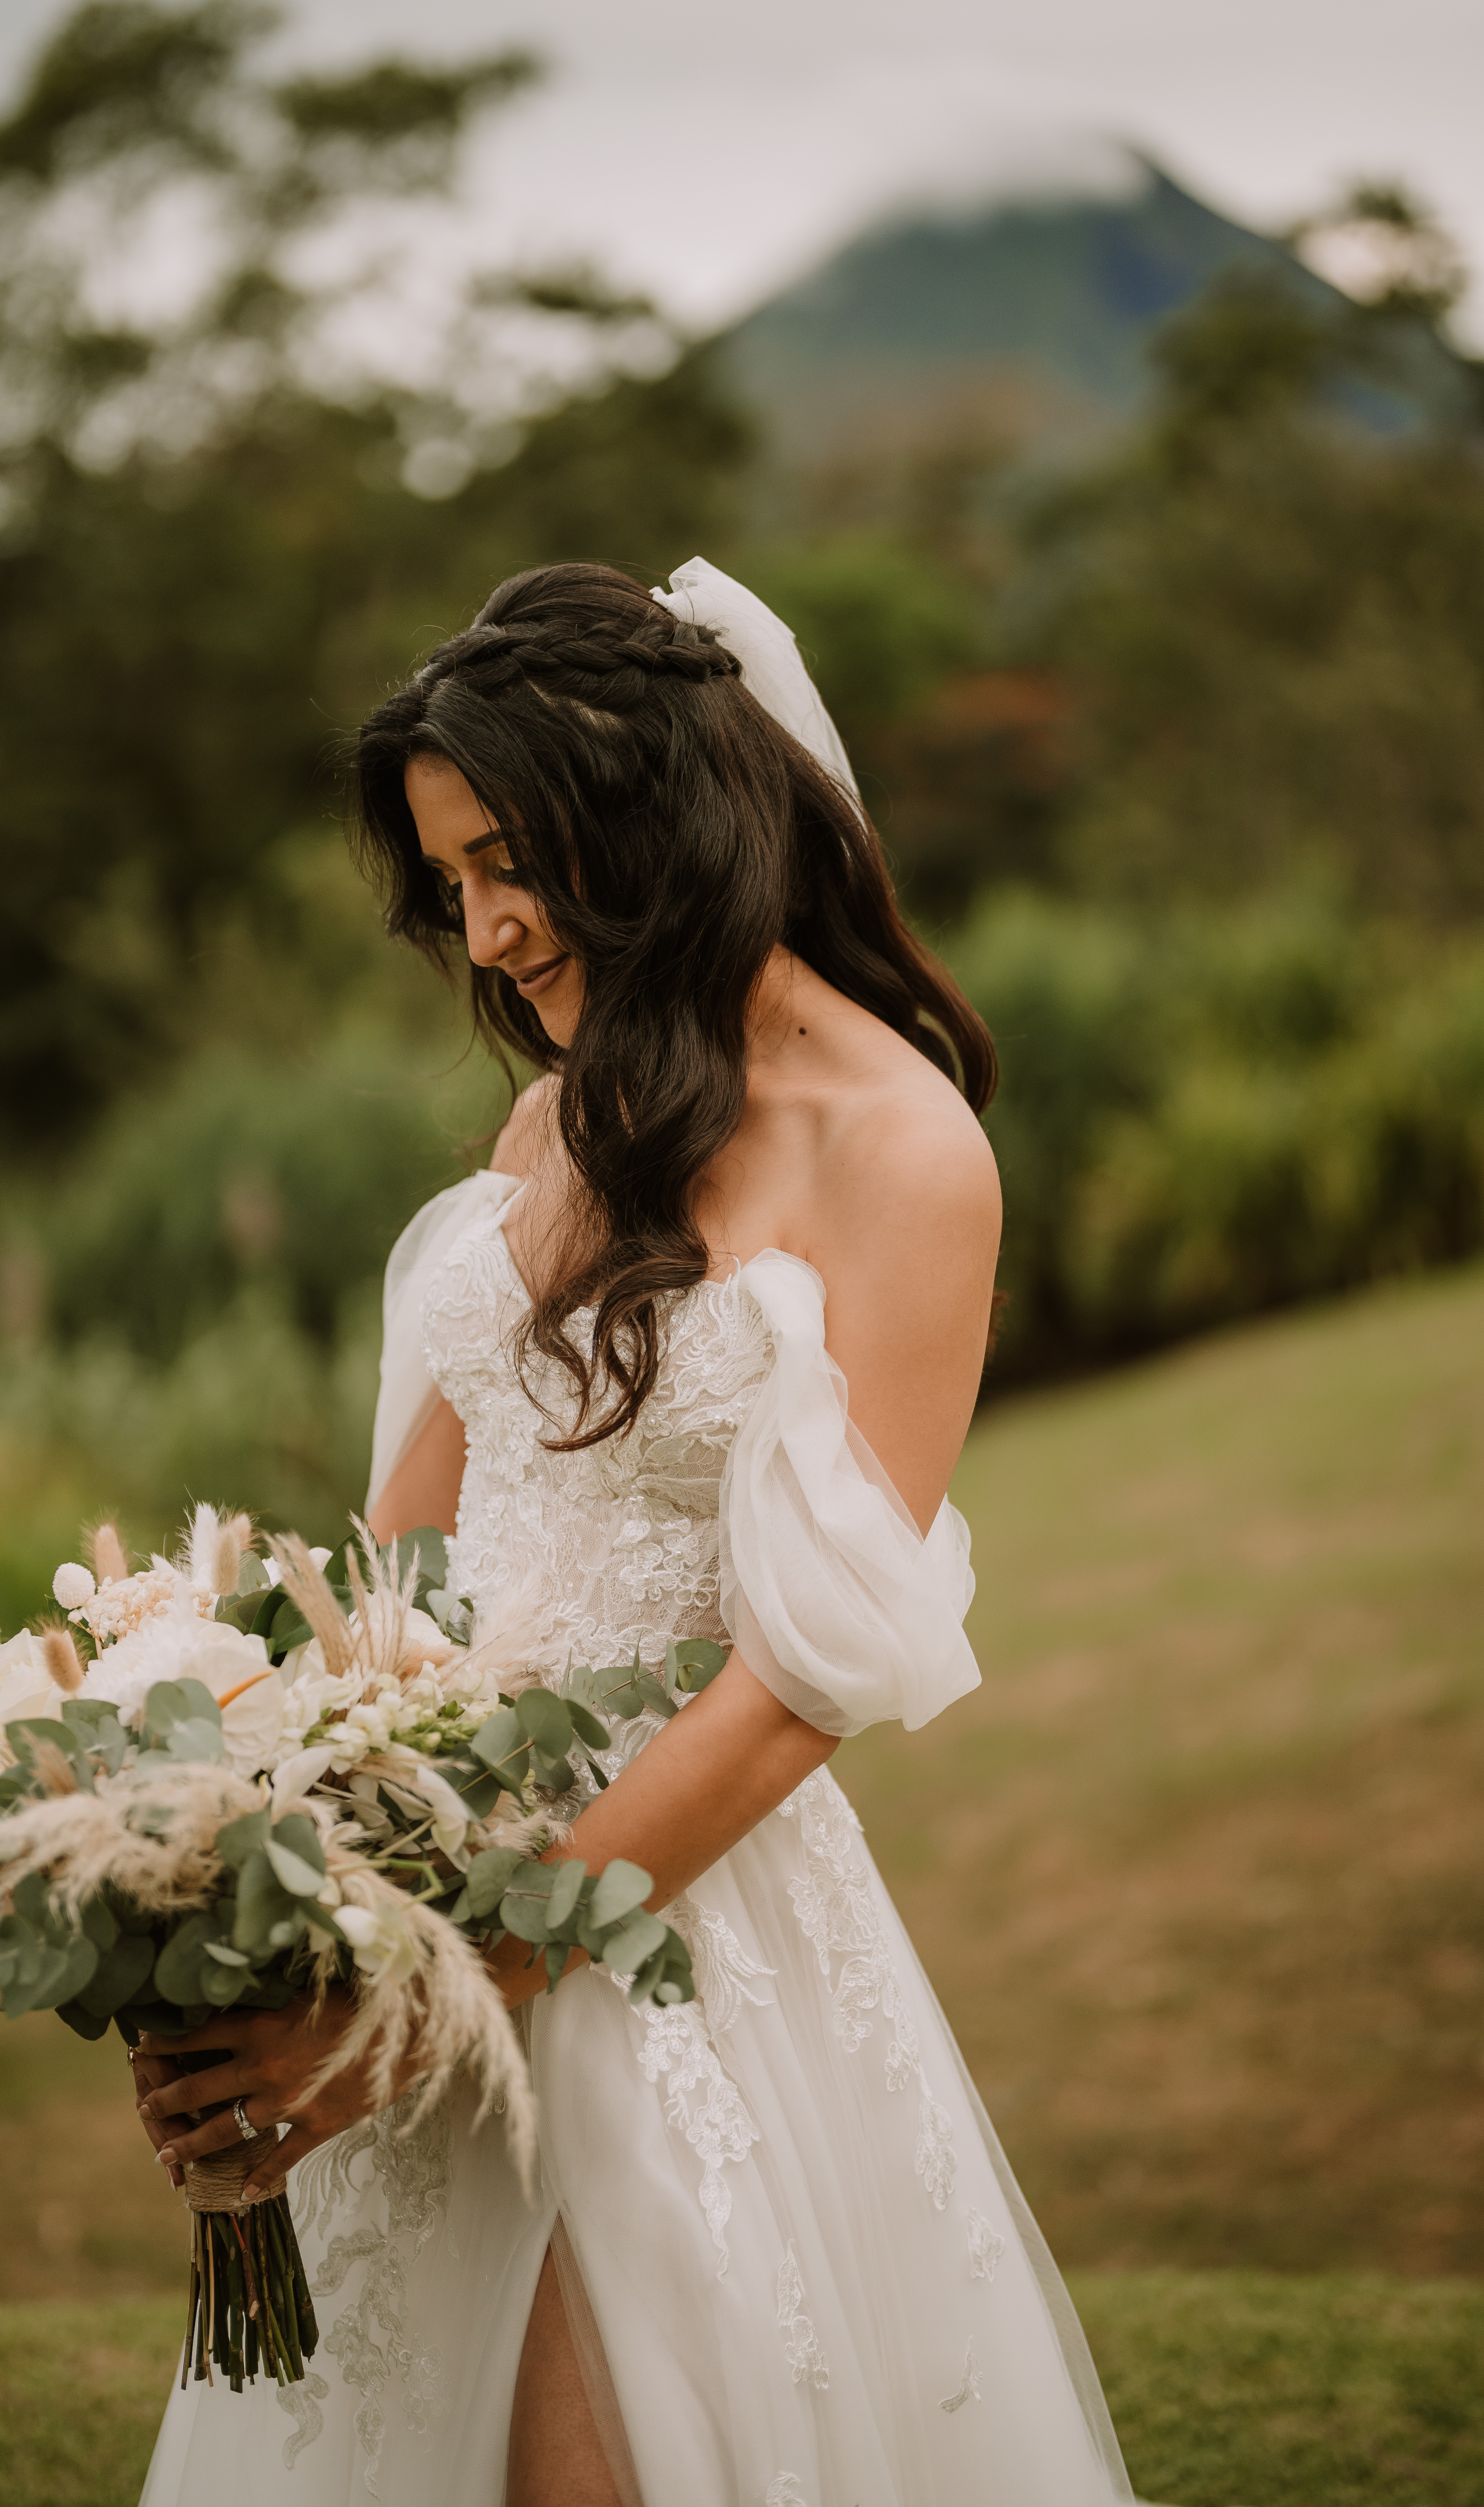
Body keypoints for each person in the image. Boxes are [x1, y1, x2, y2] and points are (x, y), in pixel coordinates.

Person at [132, 561, 1133, 2507]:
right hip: (421, 1873)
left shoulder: (905, 1153)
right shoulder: (550, 1132)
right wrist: (226, 1890)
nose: (489, 931)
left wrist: (468, 1986)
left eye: (512, 857)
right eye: (452, 881)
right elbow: (394, 1578)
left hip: (670, 1927)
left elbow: (801, 1683)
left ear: (659, 806)